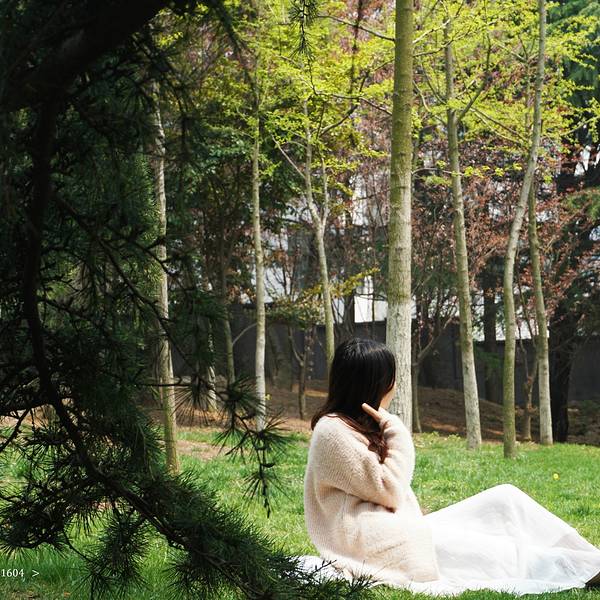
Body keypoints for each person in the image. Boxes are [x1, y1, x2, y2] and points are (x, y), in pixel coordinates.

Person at [302, 337, 600, 595]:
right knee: (497, 553)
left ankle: (591, 559)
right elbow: (389, 490)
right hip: (379, 546)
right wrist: (396, 430)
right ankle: (580, 569)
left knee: (505, 498)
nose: (394, 385)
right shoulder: (333, 431)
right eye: (390, 378)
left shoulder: (358, 423)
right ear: (373, 384)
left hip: (401, 529)